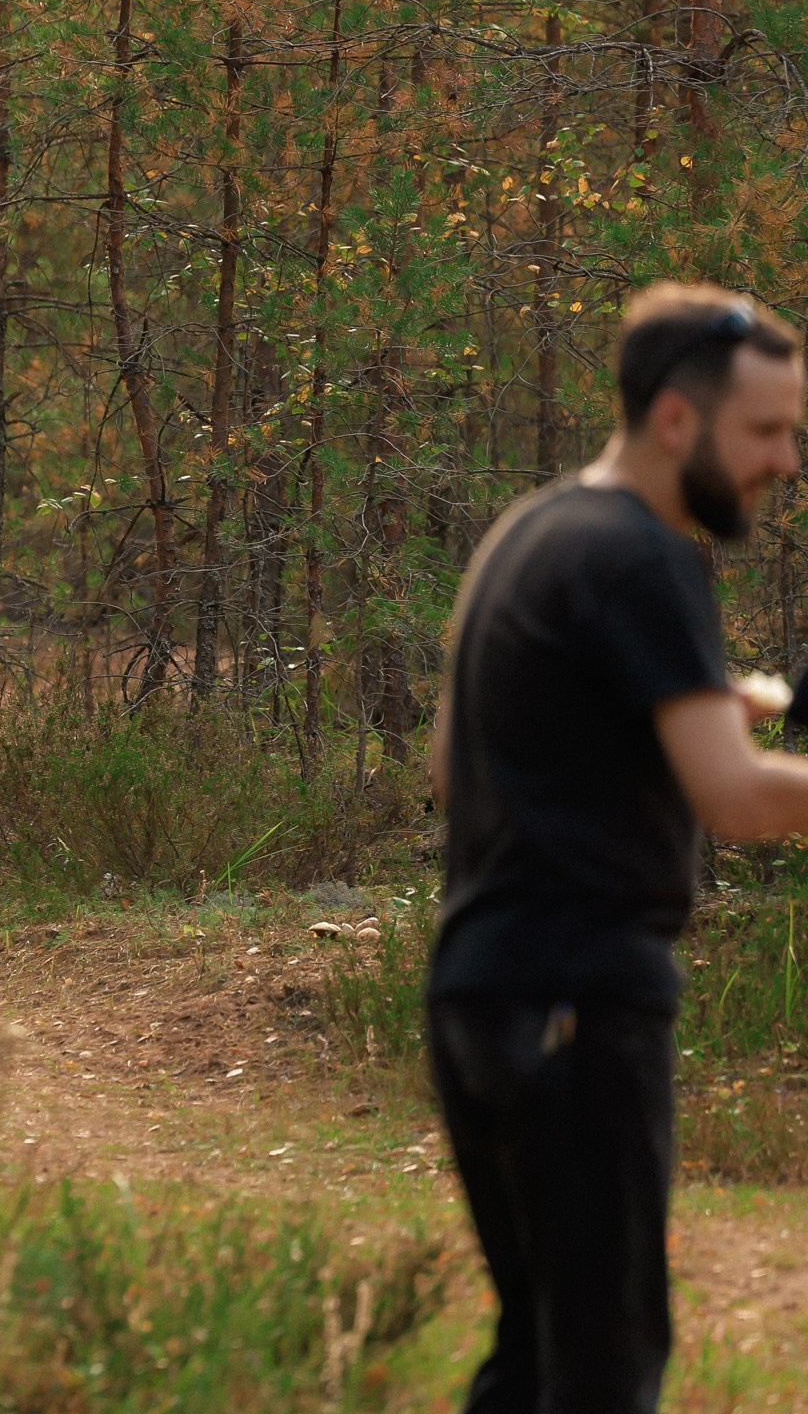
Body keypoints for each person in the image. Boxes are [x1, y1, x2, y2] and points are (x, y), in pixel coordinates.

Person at [429, 282, 808, 1413]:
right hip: (578, 1011)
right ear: (677, 420)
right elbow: (736, 805)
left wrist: (666, 712)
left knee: (536, 1360)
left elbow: (459, 757)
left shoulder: (534, 530)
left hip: (481, 999)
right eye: (766, 431)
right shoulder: (646, 557)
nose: (786, 462)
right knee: (602, 1371)